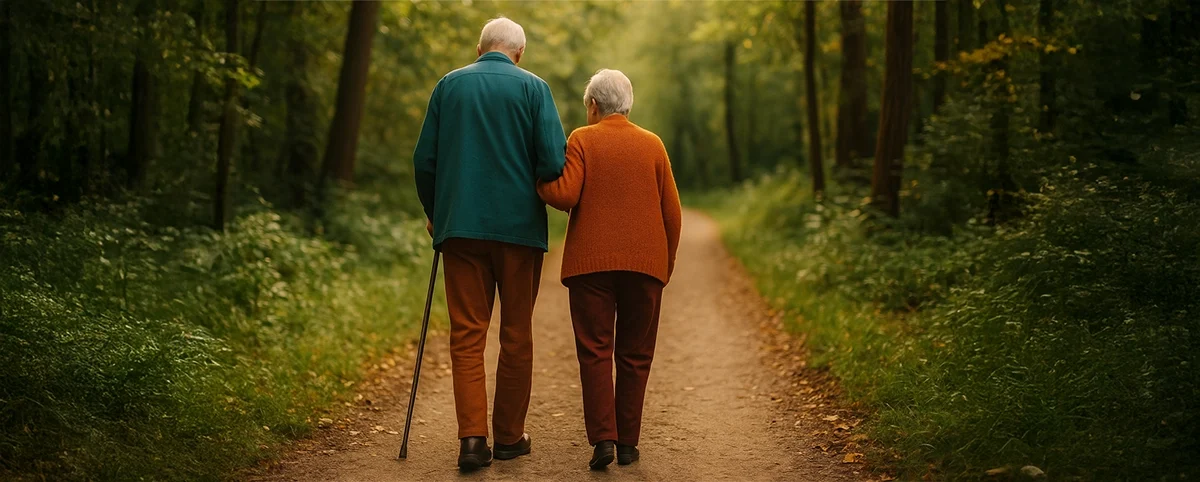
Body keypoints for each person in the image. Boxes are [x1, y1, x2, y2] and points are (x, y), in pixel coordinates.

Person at [412, 17, 566, 471]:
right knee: (516, 333)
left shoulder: (449, 85)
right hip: (519, 232)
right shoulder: (535, 89)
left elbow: (425, 160)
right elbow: (554, 159)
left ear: (480, 49)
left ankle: (472, 441)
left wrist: (436, 211)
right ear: (519, 53)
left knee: (467, 335)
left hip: (460, 227)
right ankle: (510, 436)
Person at [536, 69, 682, 470]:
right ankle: (629, 446)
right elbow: (673, 214)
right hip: (646, 267)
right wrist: (663, 266)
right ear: (628, 104)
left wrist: (537, 183)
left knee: (595, 352)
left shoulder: (583, 139)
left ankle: (603, 440)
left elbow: (565, 194)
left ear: (594, 106)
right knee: (636, 355)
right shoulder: (653, 144)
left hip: (590, 267)